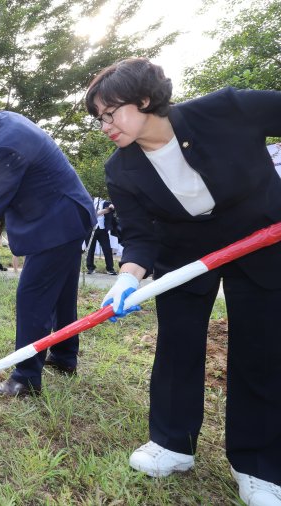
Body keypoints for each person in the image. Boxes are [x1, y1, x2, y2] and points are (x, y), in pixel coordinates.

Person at [86, 58, 281, 504]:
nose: (105, 125)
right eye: (99, 118)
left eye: (110, 112)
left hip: (262, 237)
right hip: (185, 251)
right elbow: (138, 236)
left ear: (145, 99)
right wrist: (127, 278)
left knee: (262, 349)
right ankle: (173, 443)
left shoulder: (226, 109)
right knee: (176, 342)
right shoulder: (121, 169)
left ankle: (258, 465)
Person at [0, 85, 95, 397]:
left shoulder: (4, 141)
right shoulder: (4, 125)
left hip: (56, 223)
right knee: (62, 295)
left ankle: (25, 378)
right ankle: (65, 356)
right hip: (67, 217)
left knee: (32, 297)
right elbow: (8, 182)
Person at [85, 197, 117, 275]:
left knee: (107, 249)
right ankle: (90, 268)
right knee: (90, 249)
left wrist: (111, 206)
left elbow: (112, 208)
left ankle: (110, 269)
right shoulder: (90, 201)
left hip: (102, 229)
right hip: (92, 228)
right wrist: (99, 212)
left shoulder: (106, 203)